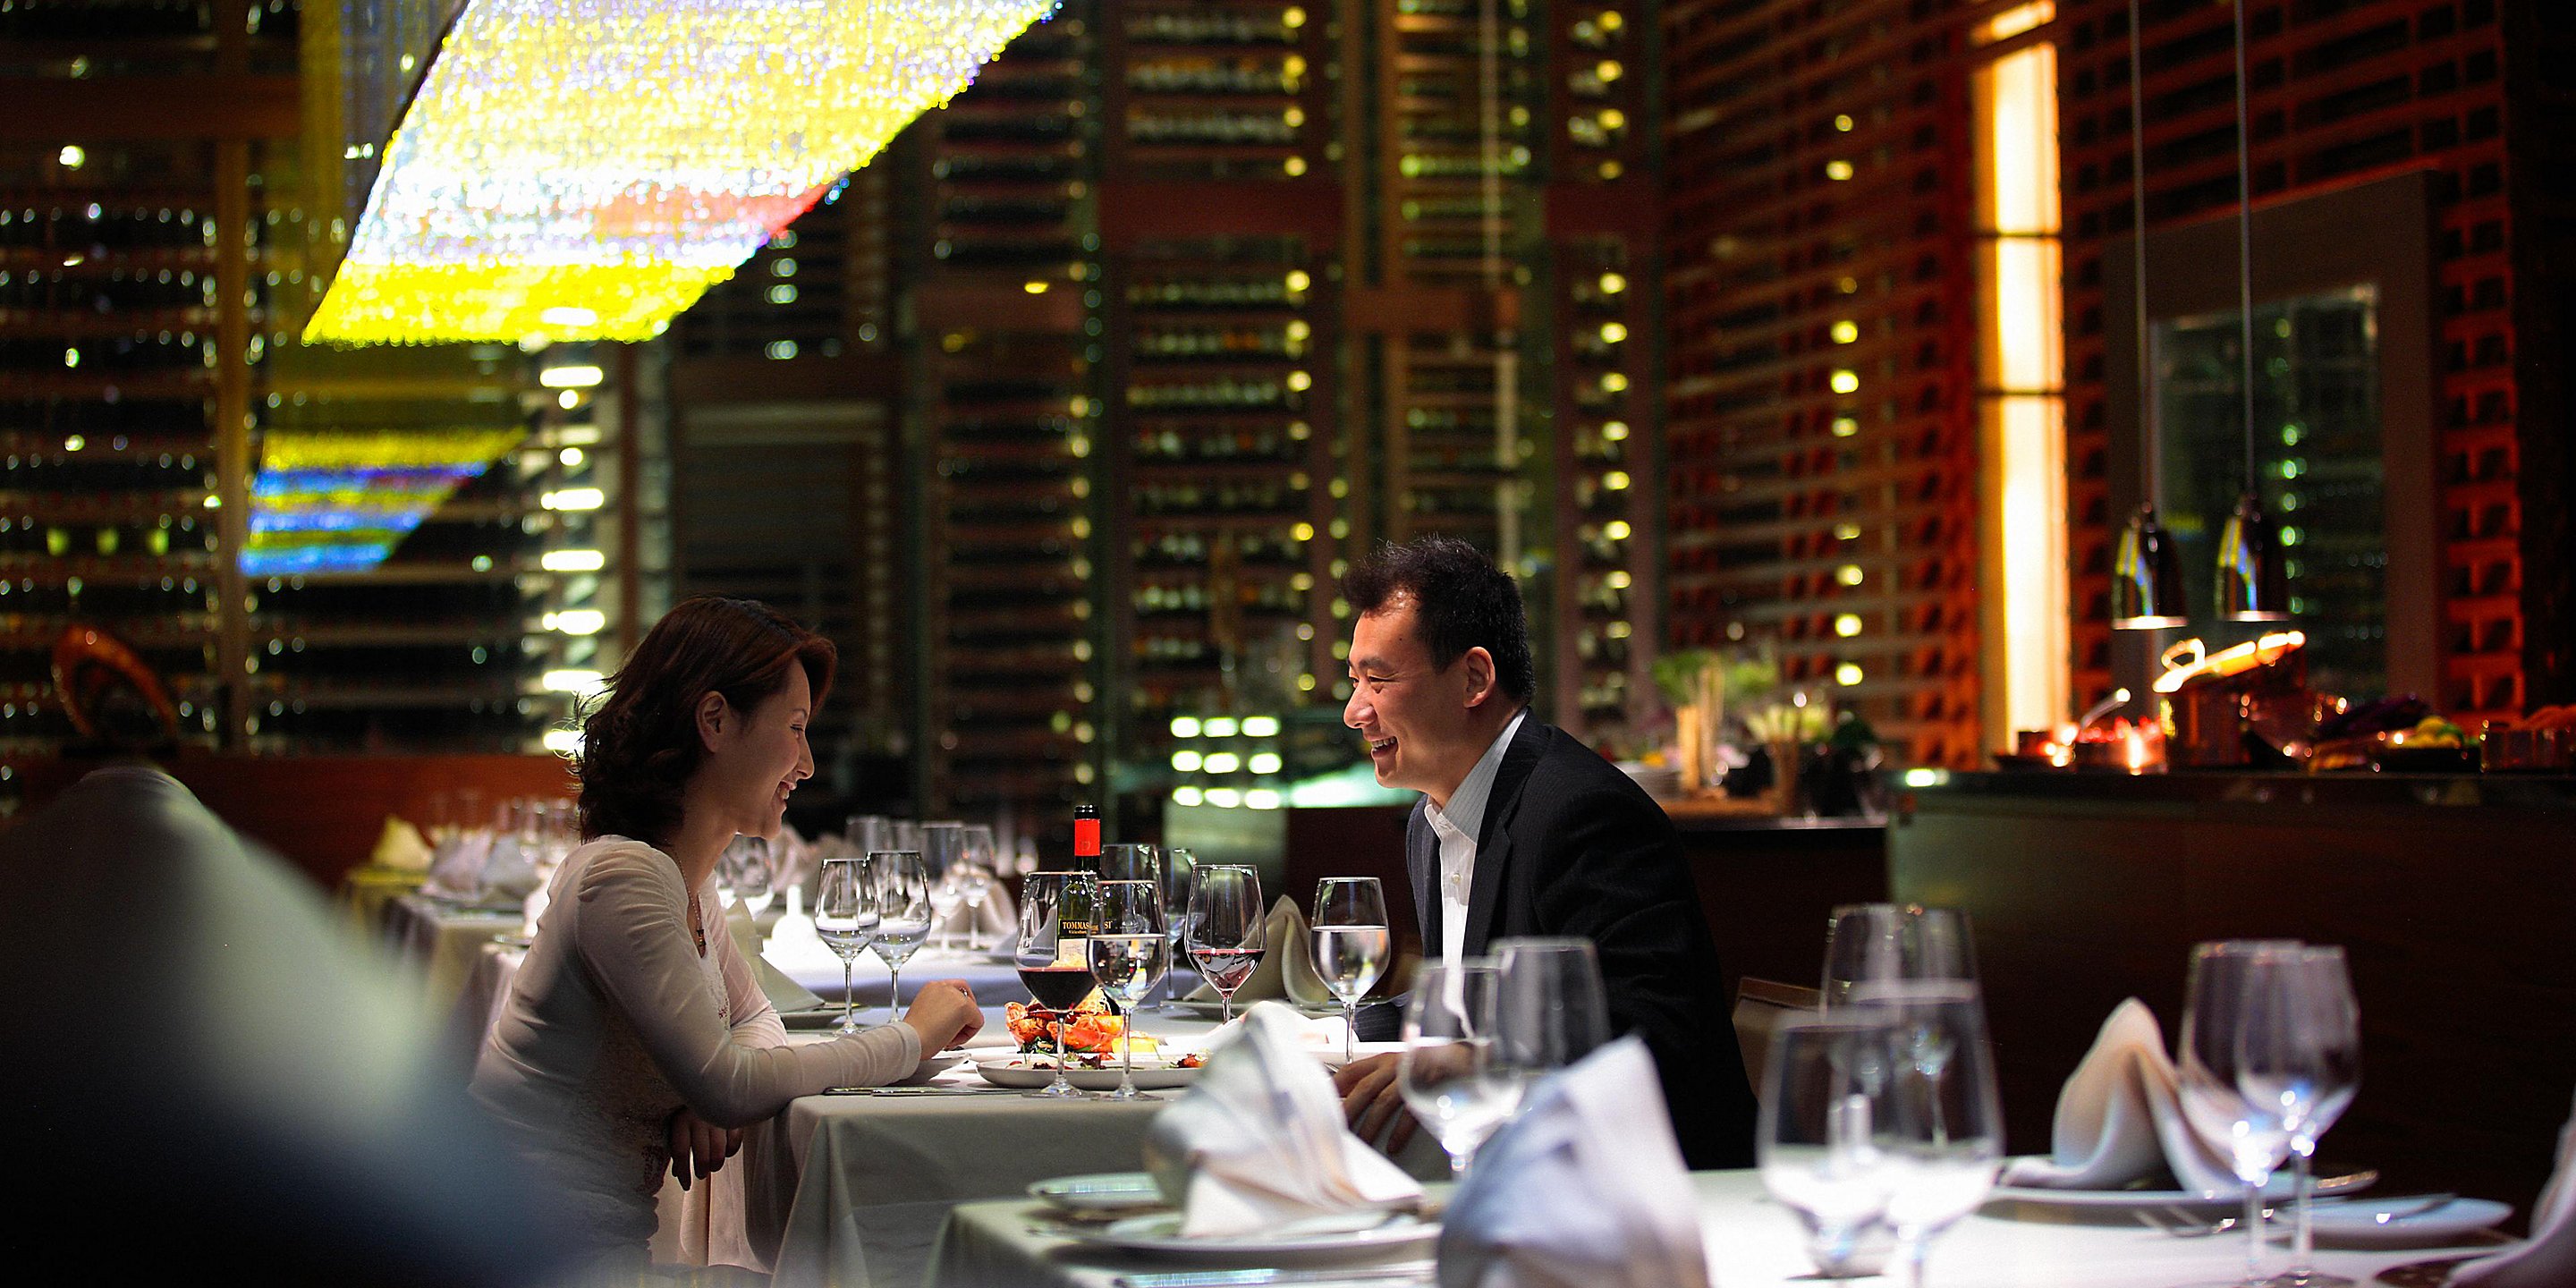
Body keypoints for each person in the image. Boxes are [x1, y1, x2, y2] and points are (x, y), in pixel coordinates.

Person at [472, 596, 983, 1268]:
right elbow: (730, 1082)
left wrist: (713, 1086)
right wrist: (910, 1039)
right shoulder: (624, 877)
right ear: (714, 720)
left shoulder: (687, 882)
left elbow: (755, 1022)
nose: (806, 764)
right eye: (795, 728)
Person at [1326, 537, 1758, 1170]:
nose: (1354, 711)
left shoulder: (1581, 812)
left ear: (1474, 678)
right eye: (1354, 681)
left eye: (1379, 680)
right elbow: (1463, 1012)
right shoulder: (1430, 821)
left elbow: (1653, 1036)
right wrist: (1319, 1033)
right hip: (1522, 1167)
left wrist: (1471, 1062)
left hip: (1652, 1187)